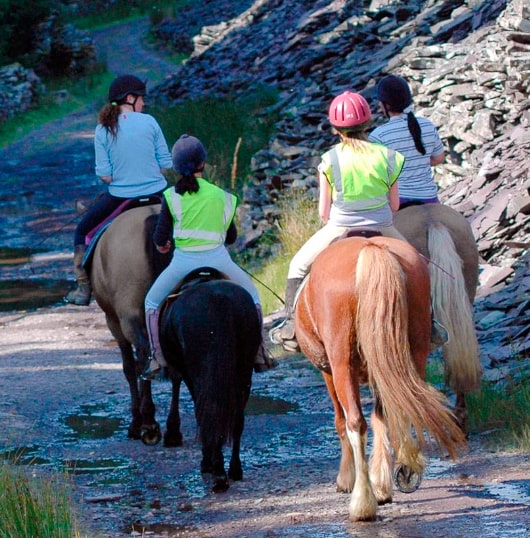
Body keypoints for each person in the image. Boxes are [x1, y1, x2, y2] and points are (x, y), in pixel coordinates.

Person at [270, 90, 408, 352]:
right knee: (420, 264)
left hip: (340, 226)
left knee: (297, 266)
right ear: (368, 123)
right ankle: (431, 320)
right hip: (382, 225)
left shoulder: (330, 159)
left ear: (335, 129)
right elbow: (395, 205)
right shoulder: (389, 156)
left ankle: (290, 326)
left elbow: (324, 211)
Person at [141, 134, 276, 380]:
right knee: (254, 298)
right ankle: (260, 351)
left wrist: (163, 245)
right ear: (203, 163)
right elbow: (231, 237)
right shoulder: (222, 196)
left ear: (176, 167)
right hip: (218, 259)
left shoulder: (171, 197)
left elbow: (160, 238)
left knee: (151, 303)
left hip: (182, 263)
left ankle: (157, 359)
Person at [65, 74, 173, 305]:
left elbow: (105, 175)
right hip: (158, 193)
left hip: (121, 197)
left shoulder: (103, 129)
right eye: (141, 98)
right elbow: (166, 164)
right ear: (131, 98)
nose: (144, 104)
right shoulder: (150, 122)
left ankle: (83, 288)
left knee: (82, 230)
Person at [369, 74, 446, 209]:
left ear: (385, 105)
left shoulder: (378, 136)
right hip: (430, 198)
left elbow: (375, 177)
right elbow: (439, 158)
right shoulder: (427, 125)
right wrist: (417, 162)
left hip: (398, 201)